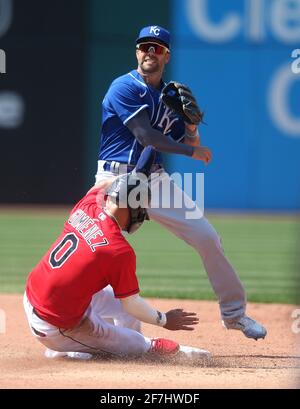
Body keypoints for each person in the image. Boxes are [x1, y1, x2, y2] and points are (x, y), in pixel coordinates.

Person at [95, 25, 267, 340]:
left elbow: (182, 136)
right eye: (145, 46)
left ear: (167, 55)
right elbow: (146, 136)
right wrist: (192, 150)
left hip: (154, 180)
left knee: (207, 237)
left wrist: (190, 127)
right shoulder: (124, 87)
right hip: (115, 178)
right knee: (102, 249)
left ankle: (235, 315)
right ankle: (97, 326)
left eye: (157, 48)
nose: (150, 52)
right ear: (137, 51)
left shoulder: (171, 96)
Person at [24, 146, 211, 360]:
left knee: (120, 306)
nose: (142, 215)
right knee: (137, 345)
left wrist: (136, 176)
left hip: (35, 295)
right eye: (140, 209)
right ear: (130, 209)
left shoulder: (88, 205)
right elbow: (132, 303)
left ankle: (105, 350)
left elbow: (107, 185)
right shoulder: (118, 249)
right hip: (54, 324)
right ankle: (66, 351)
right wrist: (165, 320)